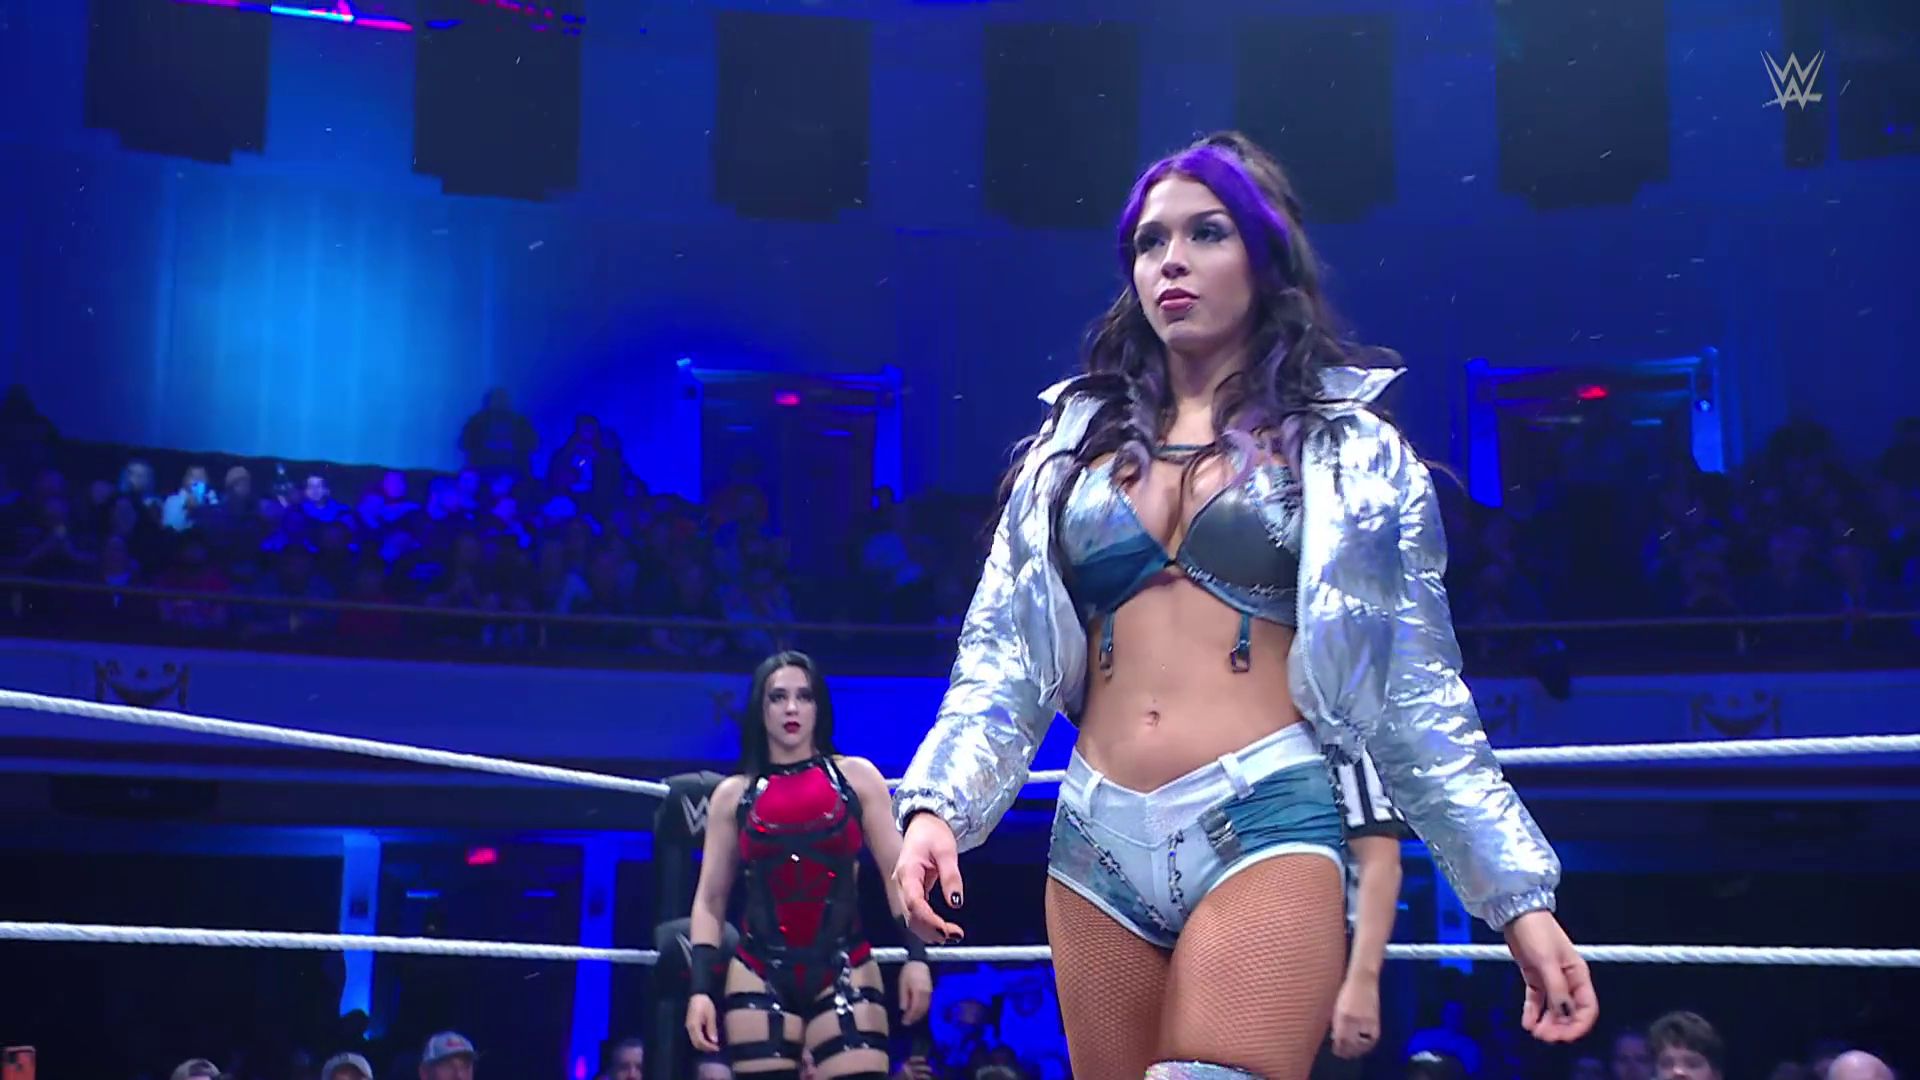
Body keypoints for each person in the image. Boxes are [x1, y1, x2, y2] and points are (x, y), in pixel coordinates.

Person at [888, 130, 1597, 1079]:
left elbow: (1418, 698)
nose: (1171, 260)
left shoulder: (1350, 455)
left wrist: (1519, 900)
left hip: (1263, 817)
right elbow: (1001, 662)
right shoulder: (1069, 452)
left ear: (1265, 258)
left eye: (1206, 233)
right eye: (1150, 241)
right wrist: (937, 808)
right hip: (1093, 836)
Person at [686, 650, 935, 1078]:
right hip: (757, 970)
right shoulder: (733, 796)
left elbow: (900, 877)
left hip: (845, 963)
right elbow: (710, 901)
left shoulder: (857, 778)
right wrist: (700, 991)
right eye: (778, 697)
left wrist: (917, 958)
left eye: (803, 697)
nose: (791, 708)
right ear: (760, 708)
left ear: (819, 707)